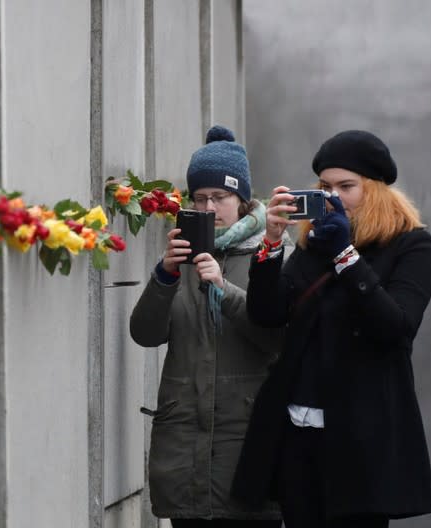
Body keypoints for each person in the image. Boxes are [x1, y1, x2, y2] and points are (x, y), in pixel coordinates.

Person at [231, 130, 431, 527]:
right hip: (298, 429)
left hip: (362, 439)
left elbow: (396, 326)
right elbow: (267, 314)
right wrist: (271, 245)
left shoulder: (412, 246)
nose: (334, 196)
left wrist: (346, 256)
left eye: (347, 186)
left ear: (374, 189)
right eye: (325, 186)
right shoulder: (313, 244)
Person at [130, 125, 284, 527]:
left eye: (220, 197)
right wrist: (164, 276)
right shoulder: (179, 262)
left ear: (243, 200)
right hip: (184, 457)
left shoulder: (269, 255)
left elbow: (275, 338)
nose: (209, 207)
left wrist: (223, 286)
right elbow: (145, 334)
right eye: (200, 198)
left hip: (249, 452)